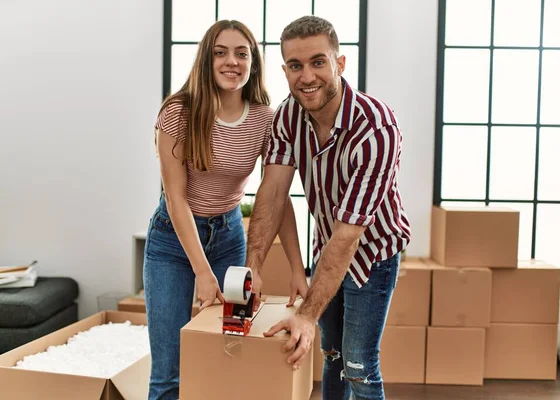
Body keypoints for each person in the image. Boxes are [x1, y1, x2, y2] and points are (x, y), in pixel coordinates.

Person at [244, 16, 411, 400]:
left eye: (318, 62)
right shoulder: (288, 115)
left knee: (357, 364)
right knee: (331, 354)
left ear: (339, 63)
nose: (307, 77)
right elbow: (271, 194)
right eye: (295, 66)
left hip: (372, 253)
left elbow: (350, 235)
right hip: (327, 246)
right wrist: (253, 264)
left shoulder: (376, 129)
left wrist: (305, 313)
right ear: (284, 69)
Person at [143, 19, 308, 400]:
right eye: (220, 53)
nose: (230, 61)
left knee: (228, 352)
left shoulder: (266, 119)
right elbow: (175, 197)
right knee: (169, 370)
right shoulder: (178, 112)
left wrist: (299, 269)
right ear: (206, 60)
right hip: (173, 240)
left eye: (241, 53)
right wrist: (202, 272)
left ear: (253, 62)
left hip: (229, 238)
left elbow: (277, 198)